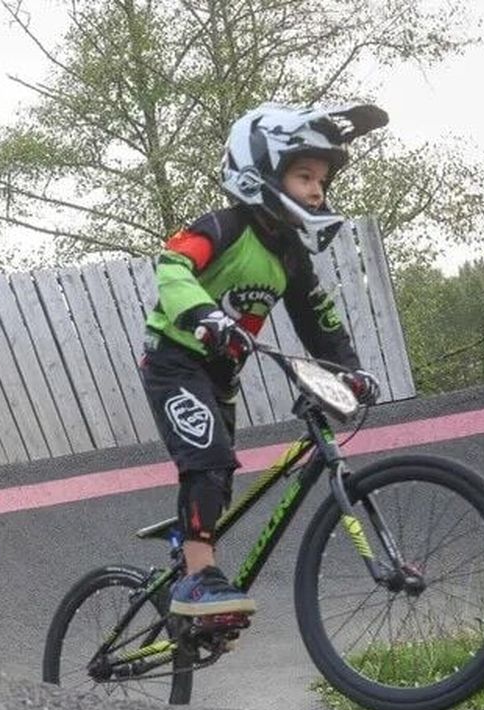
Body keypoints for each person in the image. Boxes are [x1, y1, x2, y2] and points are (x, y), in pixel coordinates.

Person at [140, 102, 388, 620]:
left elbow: (320, 321)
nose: (318, 191)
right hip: (174, 362)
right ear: (261, 172)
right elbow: (172, 266)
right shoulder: (223, 226)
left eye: (322, 179)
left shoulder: (290, 257)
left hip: (221, 374)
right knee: (208, 458)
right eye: (304, 175)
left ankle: (189, 561)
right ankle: (197, 582)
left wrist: (351, 371)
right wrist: (205, 315)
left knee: (217, 477)